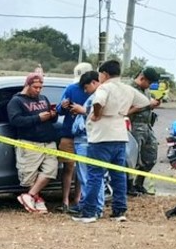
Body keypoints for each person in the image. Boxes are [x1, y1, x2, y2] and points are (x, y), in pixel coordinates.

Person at [74, 60, 152, 223]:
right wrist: (125, 112)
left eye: (100, 74)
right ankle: (119, 211)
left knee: (95, 175)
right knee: (118, 175)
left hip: (101, 136)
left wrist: (96, 114)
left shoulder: (104, 87)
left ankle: (89, 212)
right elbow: (145, 102)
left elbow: (98, 102)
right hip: (120, 134)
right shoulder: (126, 88)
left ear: (105, 74)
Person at [8, 73, 59, 214]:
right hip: (29, 142)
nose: (38, 90)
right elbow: (15, 121)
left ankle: (29, 196)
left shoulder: (43, 99)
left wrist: (53, 115)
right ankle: (36, 198)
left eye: (41, 87)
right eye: (35, 87)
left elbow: (51, 120)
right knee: (28, 177)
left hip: (48, 141)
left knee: (51, 170)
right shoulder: (16, 101)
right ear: (27, 85)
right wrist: (37, 118)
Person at [56, 70, 96, 214]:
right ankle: (65, 200)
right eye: (83, 87)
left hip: (88, 135)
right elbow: (58, 110)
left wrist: (83, 110)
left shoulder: (99, 93)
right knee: (68, 168)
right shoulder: (71, 89)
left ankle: (78, 199)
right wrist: (63, 106)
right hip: (69, 133)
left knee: (82, 169)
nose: (85, 90)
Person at [69, 71, 103, 217]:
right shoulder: (93, 96)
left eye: (86, 87)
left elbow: (98, 115)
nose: (85, 90)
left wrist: (81, 110)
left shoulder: (98, 97)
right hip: (84, 140)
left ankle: (95, 208)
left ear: (94, 83)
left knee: (89, 177)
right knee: (87, 177)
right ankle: (86, 205)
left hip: (87, 141)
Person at [127, 67, 162, 196]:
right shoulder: (129, 89)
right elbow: (126, 109)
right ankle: (129, 185)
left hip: (146, 126)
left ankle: (139, 183)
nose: (150, 85)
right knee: (133, 158)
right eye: (149, 82)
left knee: (150, 156)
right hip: (134, 125)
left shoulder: (146, 90)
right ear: (142, 78)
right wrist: (148, 105)